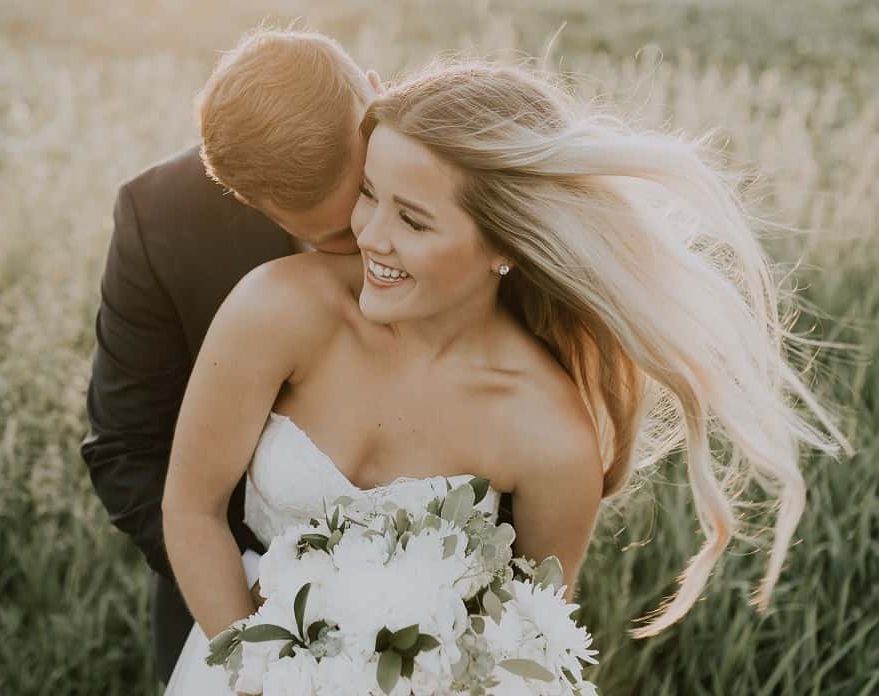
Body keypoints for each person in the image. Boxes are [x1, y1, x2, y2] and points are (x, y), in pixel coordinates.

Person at [161, 60, 853, 692]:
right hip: (234, 665)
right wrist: (263, 674)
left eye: (415, 220)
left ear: (502, 245)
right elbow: (191, 511)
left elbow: (530, 644)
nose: (369, 234)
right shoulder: (280, 308)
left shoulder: (549, 437)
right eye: (370, 192)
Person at [79, 27, 411, 685]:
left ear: (378, 93)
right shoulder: (162, 219)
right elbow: (126, 449)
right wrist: (252, 600)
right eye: (341, 234)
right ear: (244, 198)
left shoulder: (458, 165)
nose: (374, 237)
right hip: (233, 595)